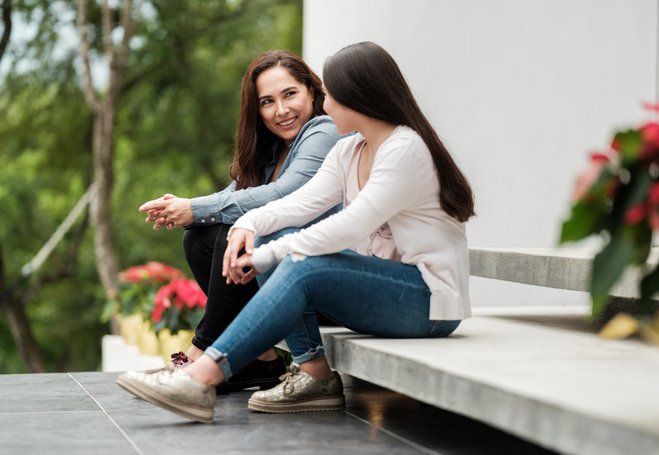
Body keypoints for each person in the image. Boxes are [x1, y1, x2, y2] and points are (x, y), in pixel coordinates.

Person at [117, 41, 475, 423]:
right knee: (275, 241)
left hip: (429, 301)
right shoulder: (350, 150)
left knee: (291, 256)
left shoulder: (404, 149)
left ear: (360, 96)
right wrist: (248, 224)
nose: (327, 105)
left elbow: (349, 226)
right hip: (386, 291)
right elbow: (302, 203)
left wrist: (267, 254)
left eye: (333, 96)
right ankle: (312, 373)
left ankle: (201, 377)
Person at [136, 50, 341, 392]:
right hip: (282, 278)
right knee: (201, 236)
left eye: (290, 94)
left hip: (319, 285)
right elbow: (232, 200)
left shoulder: (324, 131)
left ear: (311, 91)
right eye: (267, 102)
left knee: (230, 231)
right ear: (256, 110)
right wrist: (186, 210)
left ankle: (200, 354)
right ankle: (259, 361)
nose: (281, 110)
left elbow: (283, 195)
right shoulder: (272, 151)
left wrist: (194, 206)